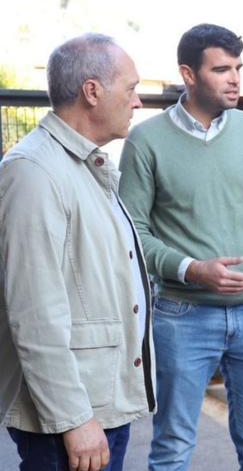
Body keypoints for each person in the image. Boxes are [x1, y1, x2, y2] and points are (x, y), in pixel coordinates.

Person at [118, 23, 243, 470]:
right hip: (182, 317)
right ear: (189, 74)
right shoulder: (146, 140)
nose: (235, 78)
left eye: (238, 67)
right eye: (222, 69)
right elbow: (132, 230)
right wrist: (192, 269)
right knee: (173, 448)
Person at [0, 34, 155, 471]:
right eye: (131, 88)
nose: (138, 101)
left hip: (95, 405)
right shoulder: (34, 172)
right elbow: (33, 312)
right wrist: (74, 419)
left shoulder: (84, 166)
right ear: (92, 91)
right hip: (71, 417)